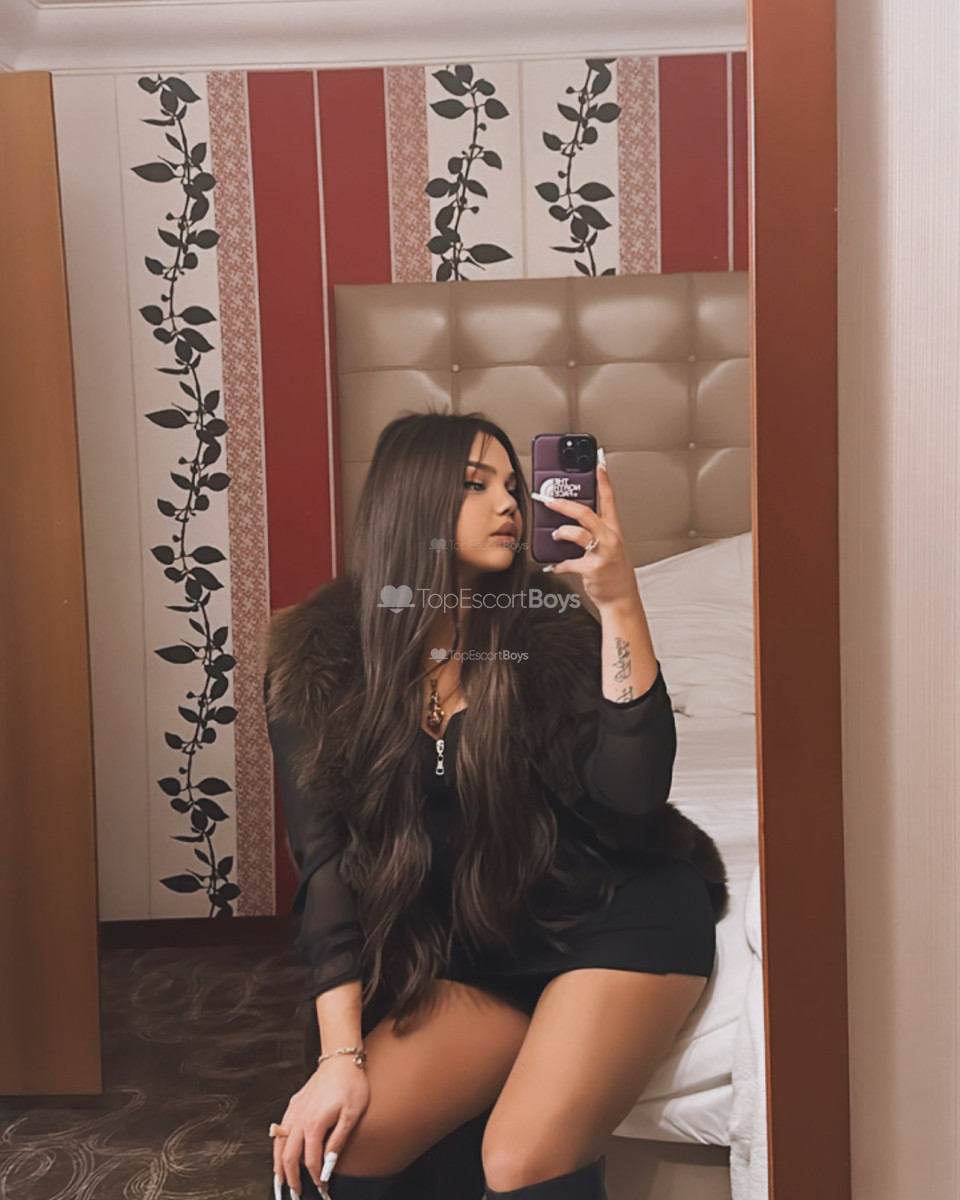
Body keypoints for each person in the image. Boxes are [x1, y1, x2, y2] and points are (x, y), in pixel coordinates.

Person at [262, 412, 728, 1200]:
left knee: (518, 1160)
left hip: (615, 914)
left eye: (514, 485)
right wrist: (339, 1058)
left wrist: (619, 601)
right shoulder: (319, 660)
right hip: (475, 951)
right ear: (411, 502)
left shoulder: (547, 628)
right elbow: (326, 870)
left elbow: (636, 792)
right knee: (328, 1160)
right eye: (475, 486)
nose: (509, 503)